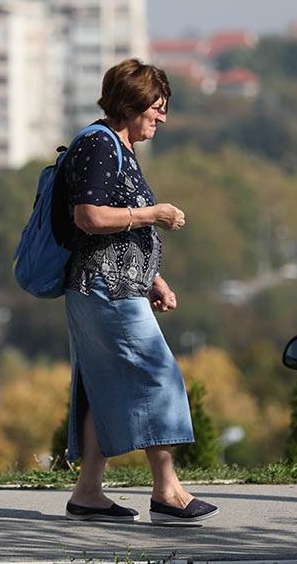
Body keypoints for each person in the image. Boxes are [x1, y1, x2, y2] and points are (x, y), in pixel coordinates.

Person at [61, 58, 219, 525]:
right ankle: (167, 492)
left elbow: (113, 227)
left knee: (102, 387)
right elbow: (88, 217)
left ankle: (88, 492)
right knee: (160, 378)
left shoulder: (116, 147)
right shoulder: (99, 145)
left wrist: (153, 278)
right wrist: (155, 214)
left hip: (112, 287)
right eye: (157, 106)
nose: (163, 117)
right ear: (130, 105)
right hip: (105, 291)